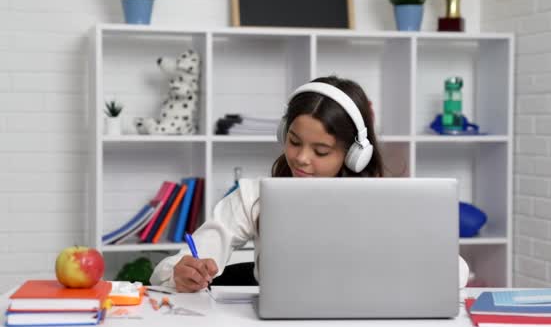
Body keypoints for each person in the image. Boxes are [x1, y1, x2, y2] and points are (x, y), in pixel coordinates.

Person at [150, 76, 384, 292]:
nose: (301, 158)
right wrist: (181, 273)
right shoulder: (255, 196)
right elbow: (172, 267)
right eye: (294, 141)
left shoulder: (383, 205)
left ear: (354, 155)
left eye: (321, 151)